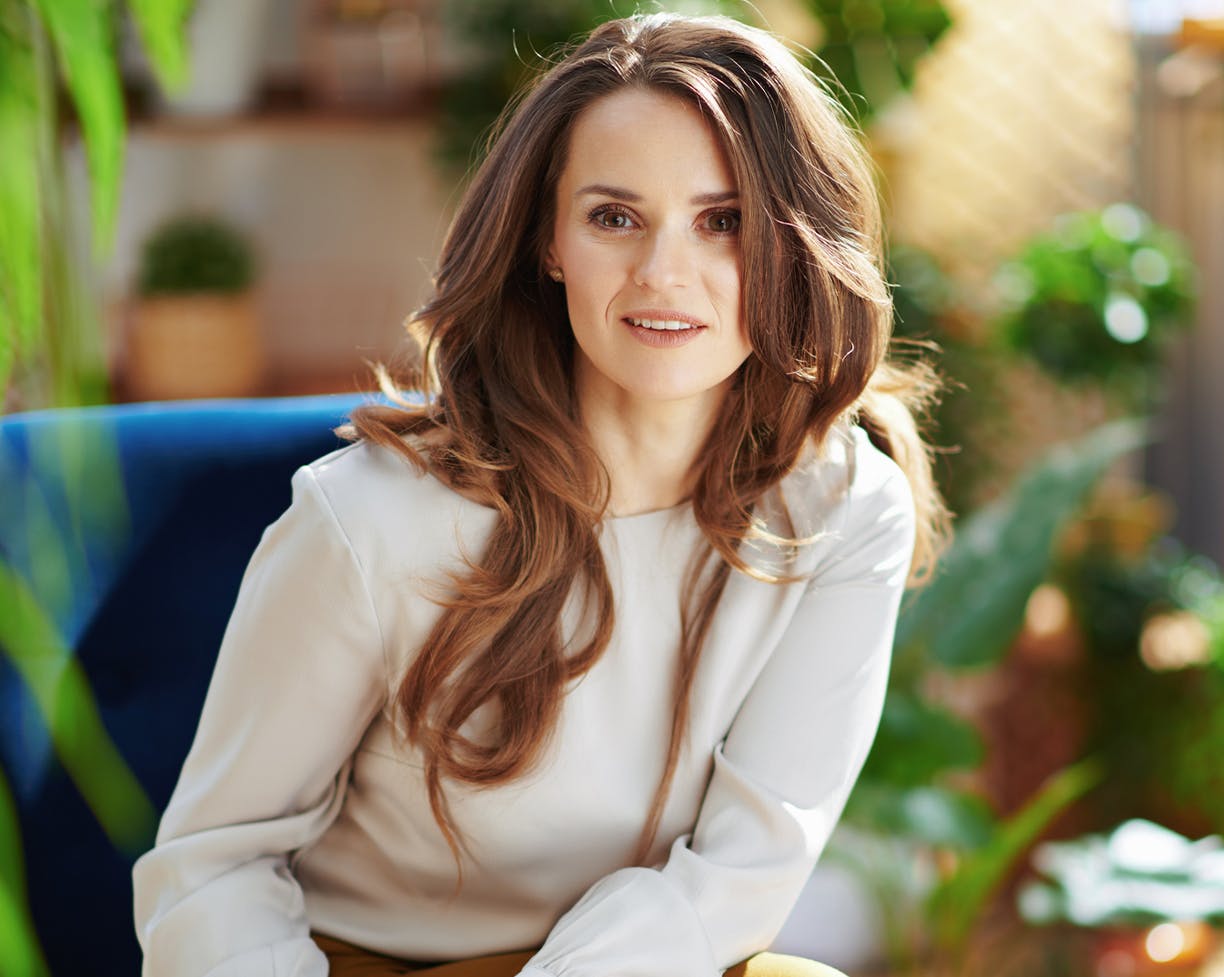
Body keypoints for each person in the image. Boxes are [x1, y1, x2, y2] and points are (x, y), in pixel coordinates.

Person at [133, 11, 948, 977]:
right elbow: (213, 869)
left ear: (792, 242)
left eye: (722, 221)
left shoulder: (846, 512)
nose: (663, 273)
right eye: (615, 217)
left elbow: (739, 878)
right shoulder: (373, 522)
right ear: (547, 242)